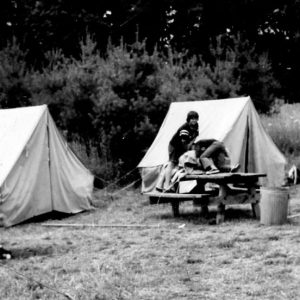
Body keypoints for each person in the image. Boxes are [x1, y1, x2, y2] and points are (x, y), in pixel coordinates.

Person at [156, 111, 199, 192]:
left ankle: (161, 185)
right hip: (175, 147)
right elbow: (184, 144)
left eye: (195, 119)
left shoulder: (195, 126)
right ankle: (166, 186)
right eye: (192, 119)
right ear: (189, 119)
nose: (194, 120)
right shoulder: (185, 128)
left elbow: (193, 138)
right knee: (171, 164)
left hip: (181, 147)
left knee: (174, 165)